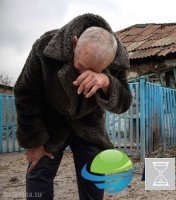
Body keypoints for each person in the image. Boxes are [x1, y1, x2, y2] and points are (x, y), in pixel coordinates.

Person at [14, 13, 132, 200]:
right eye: (80, 66)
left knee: (94, 173)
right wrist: (34, 141)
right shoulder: (45, 48)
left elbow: (124, 103)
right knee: (38, 171)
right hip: (49, 120)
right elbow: (26, 93)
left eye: (93, 71)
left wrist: (107, 82)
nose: (82, 76)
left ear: (109, 63)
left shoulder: (116, 59)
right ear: (75, 43)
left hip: (89, 123)